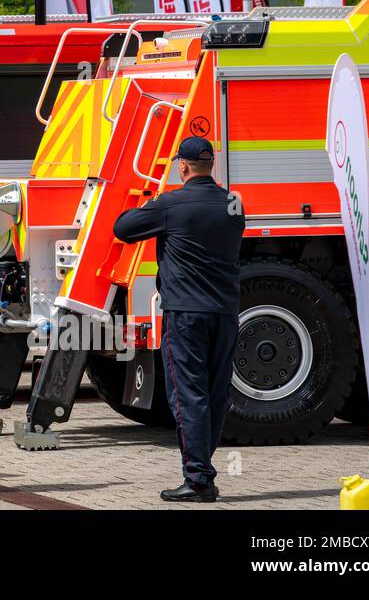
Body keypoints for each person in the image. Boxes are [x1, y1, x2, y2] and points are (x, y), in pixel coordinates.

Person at [112, 136, 245, 504]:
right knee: (215, 394)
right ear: (211, 165)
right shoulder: (234, 204)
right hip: (225, 312)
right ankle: (204, 470)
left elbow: (123, 228)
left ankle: (199, 479)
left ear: (183, 167)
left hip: (186, 314)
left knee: (188, 395)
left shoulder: (172, 203)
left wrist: (148, 201)